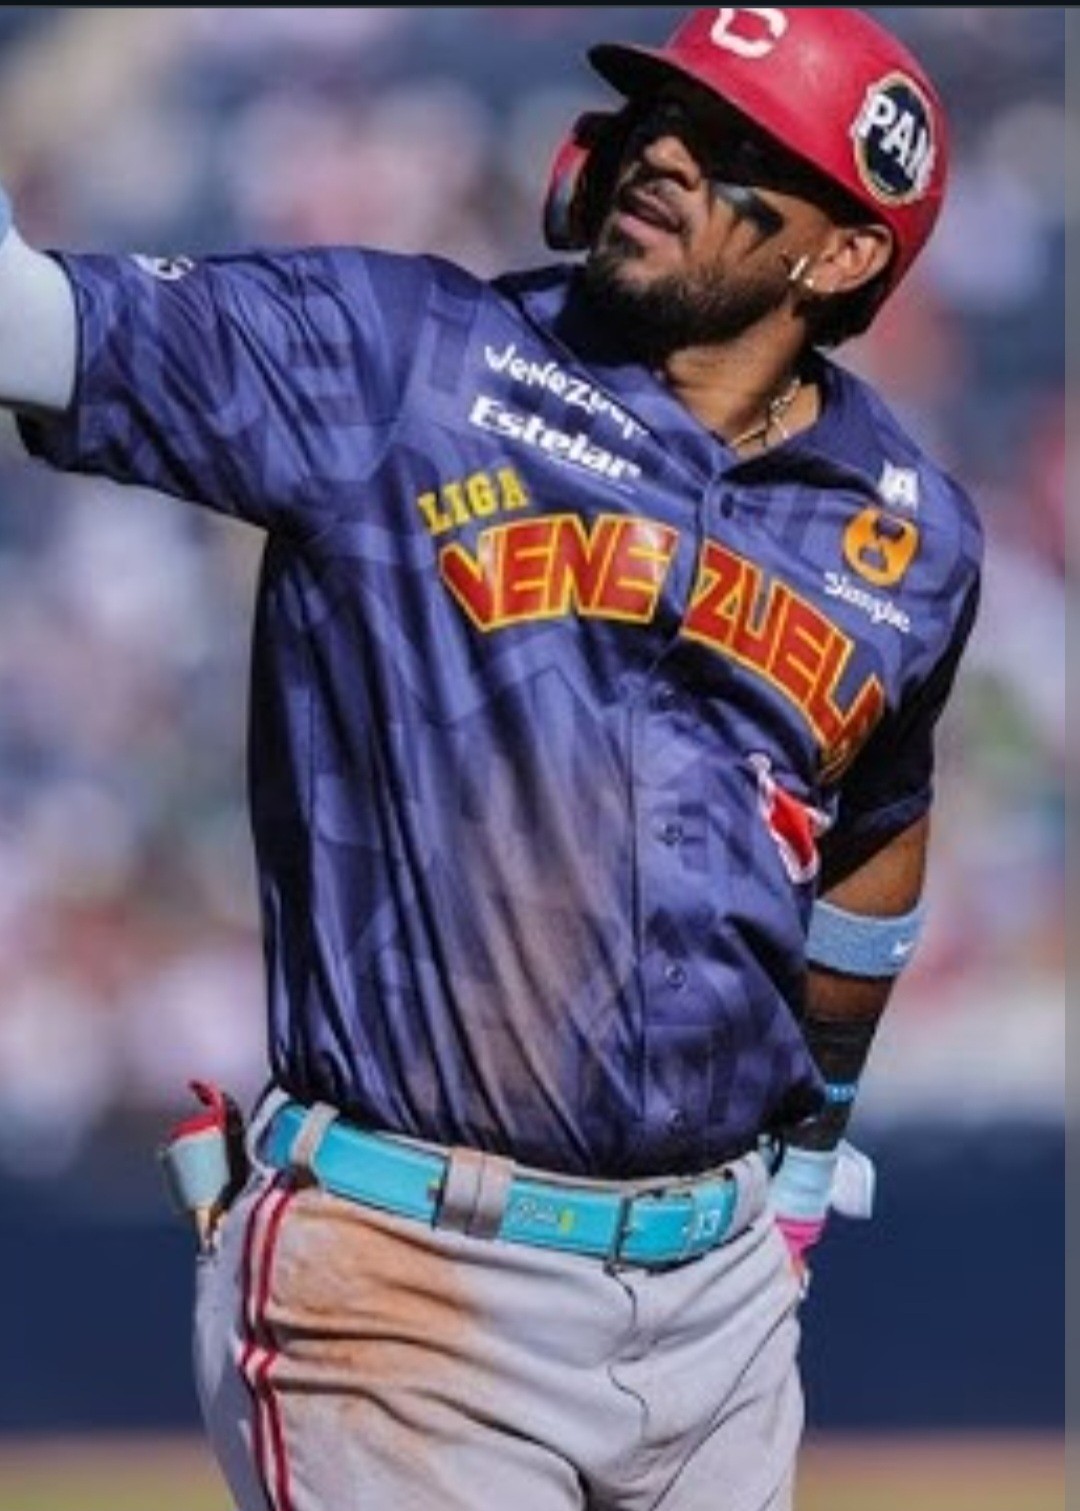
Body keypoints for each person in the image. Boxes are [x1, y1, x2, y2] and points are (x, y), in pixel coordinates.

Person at [0, 8, 983, 1510]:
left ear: (841, 256)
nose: (665, 156)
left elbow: (871, 830)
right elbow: (35, 327)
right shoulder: (397, 362)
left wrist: (808, 1155)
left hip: (718, 1308)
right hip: (408, 1284)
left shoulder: (910, 532)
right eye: (662, 115)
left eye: (735, 149)